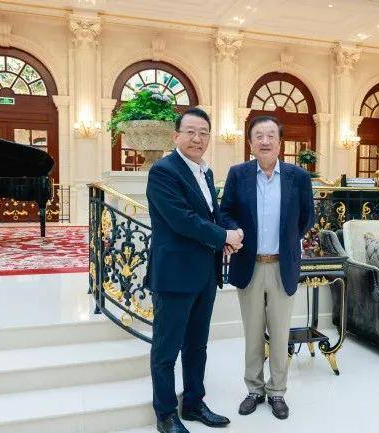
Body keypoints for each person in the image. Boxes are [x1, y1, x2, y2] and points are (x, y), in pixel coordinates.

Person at [146, 107, 243, 433]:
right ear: (176, 136)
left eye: (203, 133)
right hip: (174, 275)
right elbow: (182, 220)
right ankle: (165, 415)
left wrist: (222, 240)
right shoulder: (163, 171)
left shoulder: (205, 171)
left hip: (204, 274)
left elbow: (208, 216)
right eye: (190, 131)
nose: (197, 138)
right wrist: (223, 236)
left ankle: (193, 403)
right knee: (166, 349)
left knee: (197, 345)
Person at [219, 115, 315, 420]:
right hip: (249, 264)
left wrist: (288, 241)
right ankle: (254, 389)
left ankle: (277, 392)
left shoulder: (298, 177)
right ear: (250, 143)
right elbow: (225, 212)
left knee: (280, 333)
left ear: (280, 142)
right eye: (258, 135)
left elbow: (307, 217)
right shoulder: (238, 174)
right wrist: (234, 231)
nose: (265, 141)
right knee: (252, 333)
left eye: (271, 135)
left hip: (282, 266)